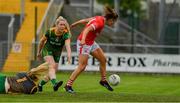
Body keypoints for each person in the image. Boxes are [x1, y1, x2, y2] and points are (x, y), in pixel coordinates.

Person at [64, 6, 118, 93]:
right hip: (84, 43)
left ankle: (103, 80)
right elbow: (87, 29)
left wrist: (76, 23)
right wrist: (83, 40)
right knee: (82, 66)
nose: (113, 23)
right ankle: (68, 85)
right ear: (110, 19)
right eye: (113, 21)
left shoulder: (100, 18)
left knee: (103, 60)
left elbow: (87, 20)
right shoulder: (100, 22)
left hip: (91, 42)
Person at [37, 16, 72, 92]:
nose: (63, 26)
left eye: (64, 25)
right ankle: (55, 83)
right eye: (61, 24)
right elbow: (41, 42)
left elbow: (67, 45)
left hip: (57, 53)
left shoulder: (66, 34)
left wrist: (69, 56)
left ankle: (40, 85)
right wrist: (38, 52)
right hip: (47, 50)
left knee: (52, 71)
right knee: (52, 66)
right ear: (56, 25)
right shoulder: (50, 31)